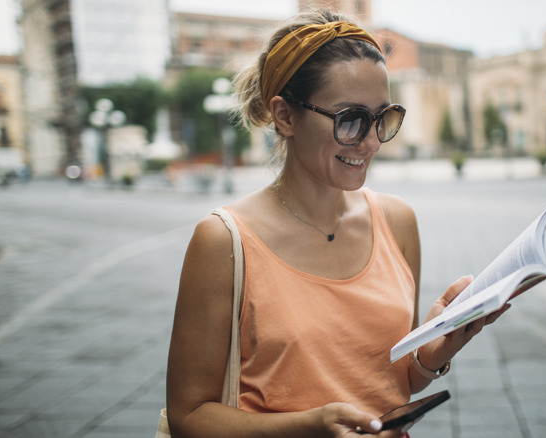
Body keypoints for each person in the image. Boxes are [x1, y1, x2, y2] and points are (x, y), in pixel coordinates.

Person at [166, 9, 509, 438]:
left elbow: (390, 382)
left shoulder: (397, 223)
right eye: (350, 119)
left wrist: (439, 348)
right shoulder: (223, 241)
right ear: (285, 116)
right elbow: (189, 416)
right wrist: (309, 427)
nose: (370, 142)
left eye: (383, 117)